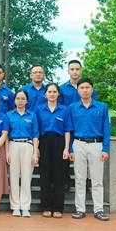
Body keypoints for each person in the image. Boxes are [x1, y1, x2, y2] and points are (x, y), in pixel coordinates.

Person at [69, 78, 110, 221]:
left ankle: (98, 210)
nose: (85, 90)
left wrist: (106, 148)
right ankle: (80, 209)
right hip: (78, 143)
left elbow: (106, 129)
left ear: (92, 89)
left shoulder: (101, 107)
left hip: (96, 145)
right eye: (82, 88)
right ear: (78, 90)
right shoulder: (72, 108)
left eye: (87, 87)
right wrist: (70, 149)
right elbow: (69, 130)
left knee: (97, 179)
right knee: (79, 179)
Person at [34, 83, 73, 218]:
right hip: (44, 142)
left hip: (59, 142)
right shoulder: (39, 110)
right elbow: (36, 131)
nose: (51, 94)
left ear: (58, 94)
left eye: (54, 92)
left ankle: (57, 208)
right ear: (45, 94)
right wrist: (36, 148)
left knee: (59, 176)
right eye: (49, 91)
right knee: (45, 175)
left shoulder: (64, 110)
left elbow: (67, 130)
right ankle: (46, 206)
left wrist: (67, 148)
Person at [59, 60, 97, 191]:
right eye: (72, 69)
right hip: (68, 125)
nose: (75, 72)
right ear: (68, 71)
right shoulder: (62, 88)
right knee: (66, 152)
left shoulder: (89, 88)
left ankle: (87, 180)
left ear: (81, 70)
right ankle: (65, 180)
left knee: (85, 155)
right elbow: (61, 108)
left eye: (77, 69)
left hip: (83, 125)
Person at [5, 90, 39, 218]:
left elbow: (35, 134)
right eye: (18, 98)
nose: (20, 101)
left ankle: (25, 206)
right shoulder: (9, 115)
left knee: (26, 177)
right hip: (13, 145)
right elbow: (6, 135)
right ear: (14, 101)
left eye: (23, 98)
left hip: (28, 145)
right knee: (13, 176)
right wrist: (7, 152)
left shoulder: (32, 115)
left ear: (27, 101)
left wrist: (35, 152)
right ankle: (15, 206)